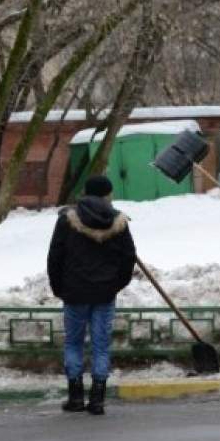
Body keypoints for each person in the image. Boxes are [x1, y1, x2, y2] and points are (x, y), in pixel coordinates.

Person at [47, 175, 136, 415]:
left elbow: (55, 256)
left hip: (74, 292)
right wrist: (115, 285)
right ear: (107, 194)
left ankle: (75, 397)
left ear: (85, 193)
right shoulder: (119, 221)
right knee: (101, 346)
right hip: (104, 293)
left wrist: (59, 288)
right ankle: (97, 400)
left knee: (74, 343)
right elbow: (128, 258)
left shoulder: (68, 219)